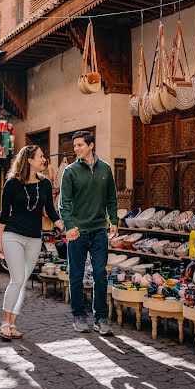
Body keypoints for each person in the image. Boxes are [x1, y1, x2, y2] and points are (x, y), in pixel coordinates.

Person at [0, 145, 63, 340]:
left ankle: (13, 323)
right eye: (41, 157)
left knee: (23, 281)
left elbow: (50, 211)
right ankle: (5, 322)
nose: (44, 160)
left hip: (34, 237)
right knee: (17, 278)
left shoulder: (45, 184)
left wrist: (64, 227)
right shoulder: (12, 183)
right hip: (13, 235)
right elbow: (3, 214)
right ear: (30, 160)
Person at [59, 130, 118, 335]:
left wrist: (114, 221)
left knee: (100, 274)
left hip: (99, 230)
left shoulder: (106, 169)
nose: (76, 149)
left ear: (91, 145)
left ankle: (101, 317)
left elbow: (111, 198)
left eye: (80, 145)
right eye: (74, 146)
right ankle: (78, 315)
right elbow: (64, 203)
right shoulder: (70, 172)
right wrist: (70, 226)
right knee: (76, 274)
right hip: (77, 232)